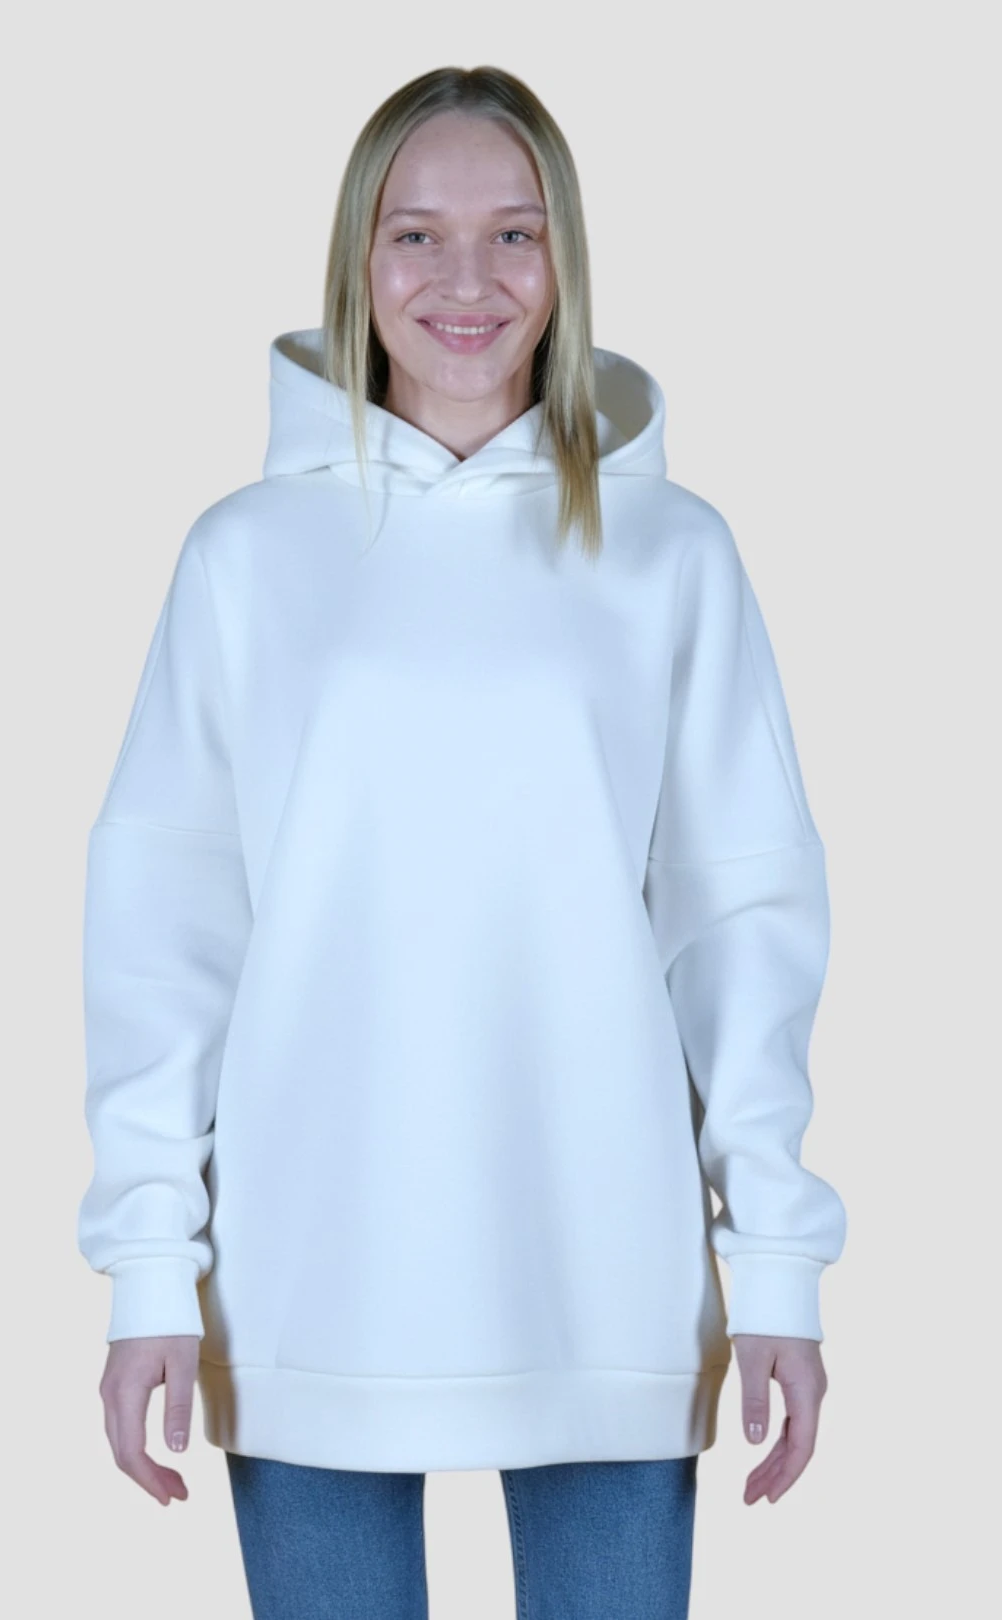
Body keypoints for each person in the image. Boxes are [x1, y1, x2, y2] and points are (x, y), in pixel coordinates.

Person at [77, 64, 847, 1620]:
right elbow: (164, 929)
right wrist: (150, 1267)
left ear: (566, 262)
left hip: (604, 1275)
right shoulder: (245, 558)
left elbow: (743, 922)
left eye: (515, 233)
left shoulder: (672, 552)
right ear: (357, 260)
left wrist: (776, 1260)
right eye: (417, 234)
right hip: (312, 1282)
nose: (467, 281)